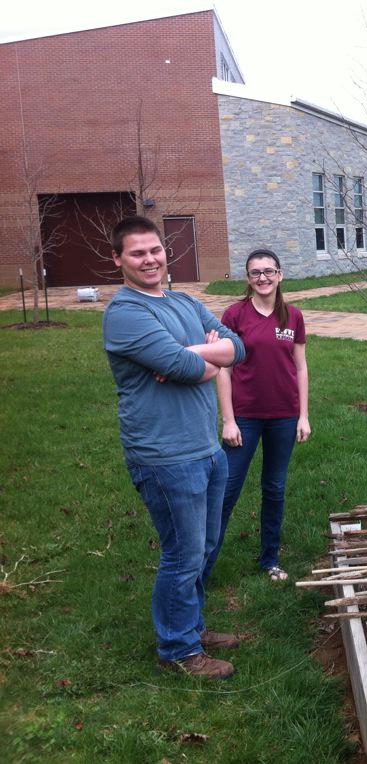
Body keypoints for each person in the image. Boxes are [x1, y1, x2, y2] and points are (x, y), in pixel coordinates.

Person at [103, 216, 245, 679]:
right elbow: (182, 366)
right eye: (138, 253)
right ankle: (179, 649)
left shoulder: (183, 300)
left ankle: (192, 626)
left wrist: (194, 355)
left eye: (155, 250)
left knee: (203, 548)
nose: (150, 259)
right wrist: (203, 356)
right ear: (118, 259)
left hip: (206, 447)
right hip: (165, 456)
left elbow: (238, 348)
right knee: (182, 554)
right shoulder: (125, 313)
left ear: (166, 251)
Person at [202, 249, 310, 584]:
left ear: (280, 275)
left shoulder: (293, 316)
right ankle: (201, 569)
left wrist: (303, 415)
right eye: (254, 273)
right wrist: (228, 419)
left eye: (268, 271)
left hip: (283, 415)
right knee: (226, 491)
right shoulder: (234, 315)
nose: (262, 278)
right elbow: (223, 369)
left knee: (274, 488)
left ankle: (269, 559)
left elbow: (301, 367)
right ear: (247, 279)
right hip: (245, 417)